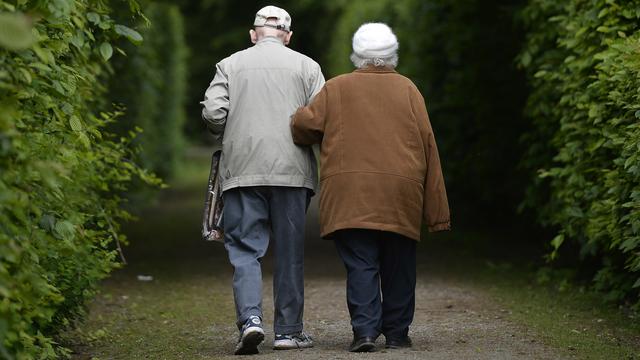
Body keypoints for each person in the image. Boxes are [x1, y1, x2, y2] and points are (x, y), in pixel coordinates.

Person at [290, 22, 450, 352]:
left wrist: (299, 119)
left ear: (356, 55)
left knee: (360, 262)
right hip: (401, 192)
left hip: (349, 192)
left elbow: (304, 127)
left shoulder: (336, 89)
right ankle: (396, 333)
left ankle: (364, 332)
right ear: (393, 55)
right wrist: (437, 212)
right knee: (399, 263)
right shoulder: (409, 89)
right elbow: (428, 145)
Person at [200, 5, 324, 355]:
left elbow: (213, 112)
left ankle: (251, 321)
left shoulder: (230, 64)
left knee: (244, 249)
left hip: (242, 170)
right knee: (289, 252)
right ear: (288, 36)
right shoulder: (307, 66)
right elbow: (319, 120)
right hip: (292, 170)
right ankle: (288, 332)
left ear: (253, 34)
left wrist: (228, 131)